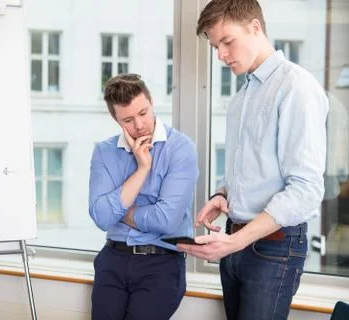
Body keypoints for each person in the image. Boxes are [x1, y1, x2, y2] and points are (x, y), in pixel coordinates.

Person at [177, 1, 329, 319]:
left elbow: (305, 190)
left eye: (227, 41)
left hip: (273, 247)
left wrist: (236, 242)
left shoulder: (295, 88)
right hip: (237, 239)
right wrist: (223, 194)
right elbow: (251, 167)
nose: (220, 55)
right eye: (216, 46)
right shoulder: (243, 97)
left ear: (255, 27)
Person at [89, 73, 199, 319]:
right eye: (128, 119)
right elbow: (101, 217)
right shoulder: (104, 152)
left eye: (143, 113)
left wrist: (121, 211)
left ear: (151, 103)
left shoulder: (180, 148)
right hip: (112, 260)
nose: (139, 125)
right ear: (115, 119)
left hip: (160, 264)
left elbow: (166, 220)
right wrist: (142, 169)